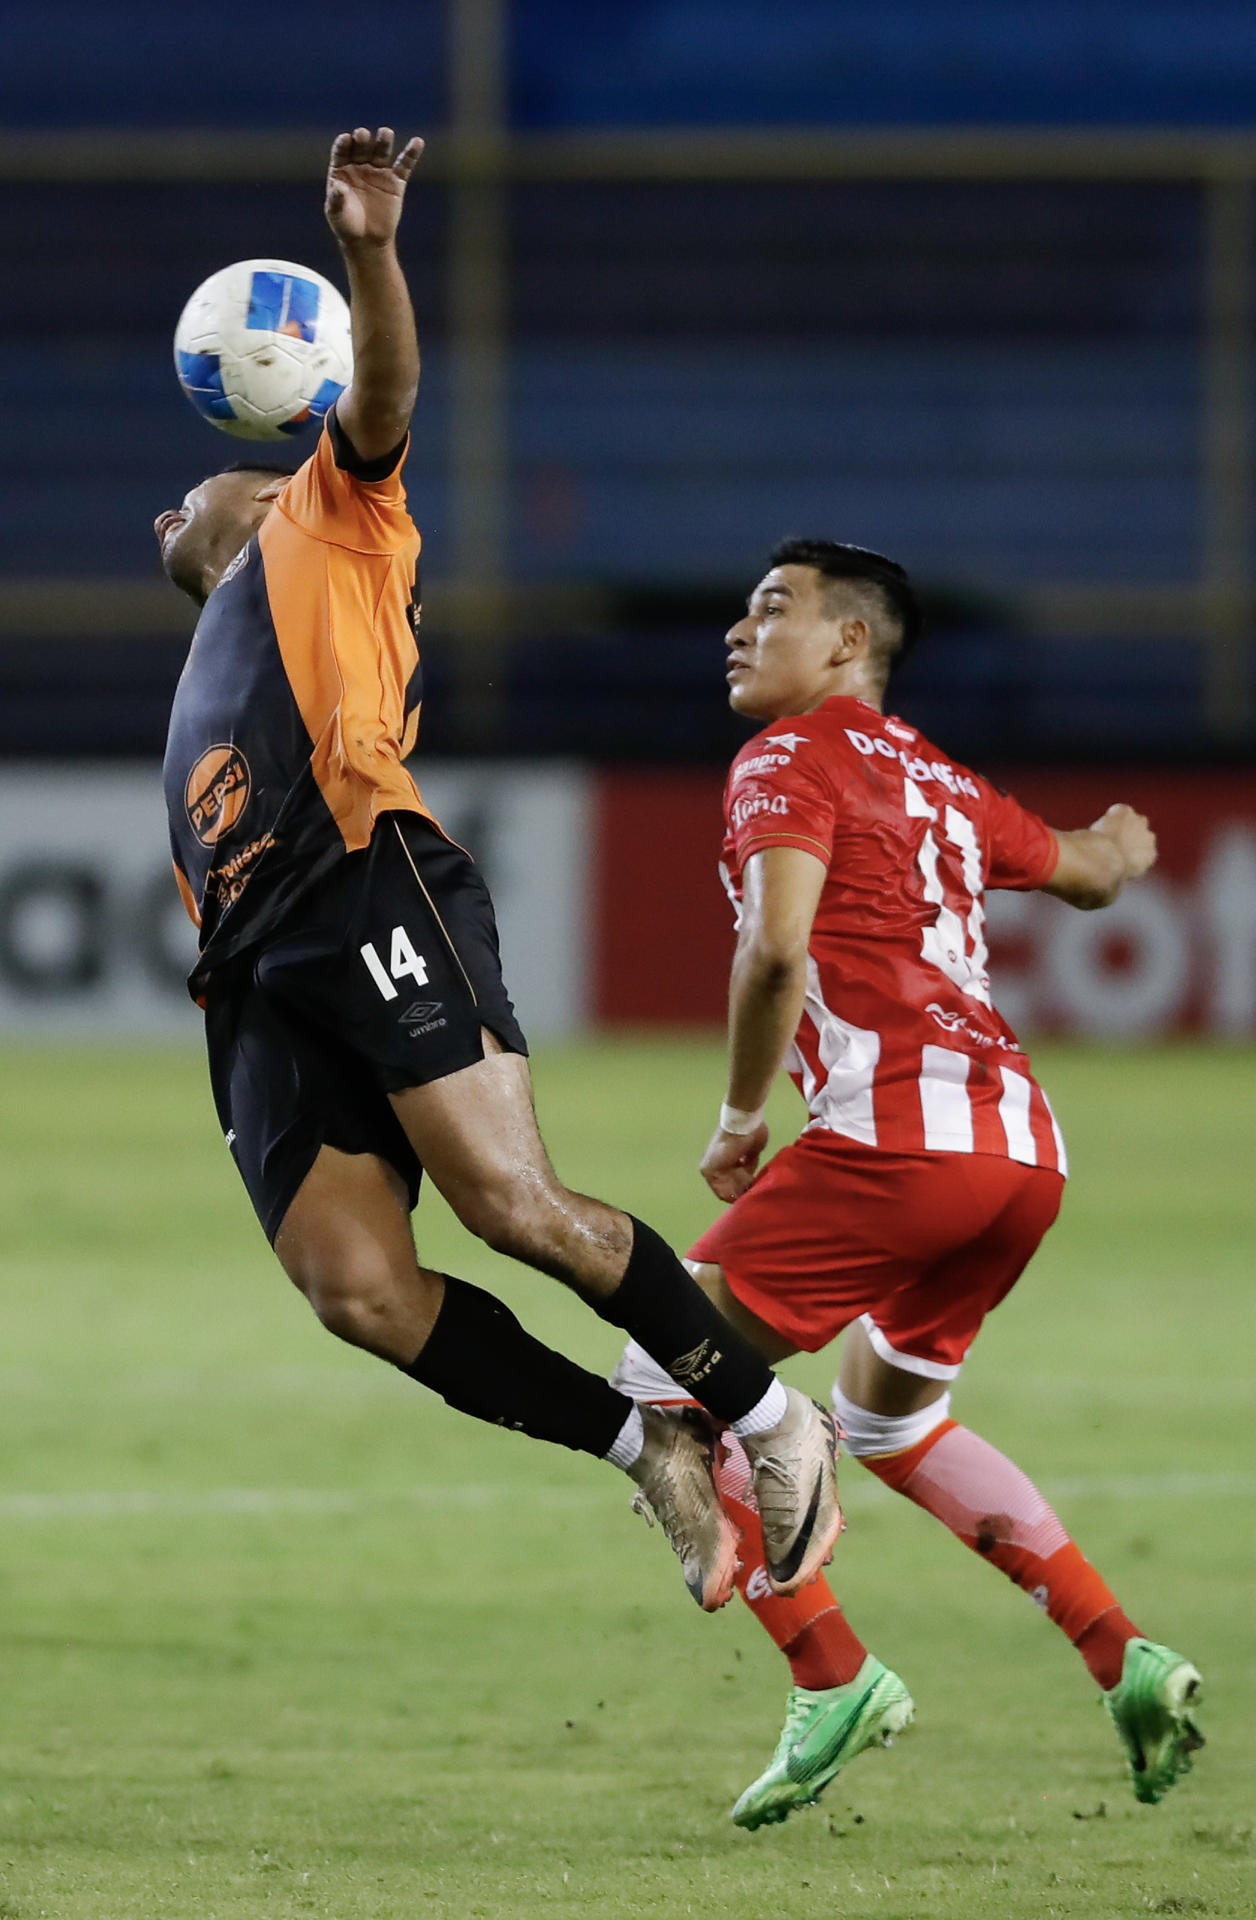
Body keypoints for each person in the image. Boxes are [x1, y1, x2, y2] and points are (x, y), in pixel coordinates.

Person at [154, 129, 842, 1620]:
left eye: (196, 486)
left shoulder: (333, 521)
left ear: (268, 489)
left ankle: (776, 1426)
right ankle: (639, 1445)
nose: (170, 505)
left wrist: (372, 254)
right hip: (257, 971)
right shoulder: (217, 648)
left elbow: (385, 394)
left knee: (515, 1209)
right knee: (357, 1290)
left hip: (359, 881)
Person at [612, 538, 1204, 1824]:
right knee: (886, 1422)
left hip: (896, 1143)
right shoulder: (938, 775)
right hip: (1021, 1154)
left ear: (846, 646)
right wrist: (1116, 840)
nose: (736, 627)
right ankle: (1124, 1655)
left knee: (660, 1381)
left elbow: (774, 953)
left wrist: (733, 1119)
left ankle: (831, 1675)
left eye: (771, 607)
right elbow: (1090, 873)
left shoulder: (783, 758)